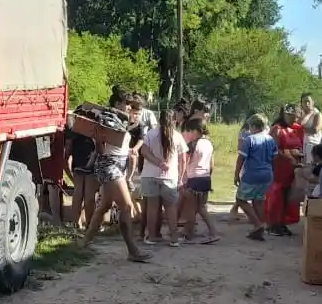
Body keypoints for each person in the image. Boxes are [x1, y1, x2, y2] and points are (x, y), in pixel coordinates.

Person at [81, 92, 152, 263]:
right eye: (126, 104)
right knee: (126, 207)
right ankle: (133, 251)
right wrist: (98, 139)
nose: (129, 107)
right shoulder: (108, 119)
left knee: (104, 206)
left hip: (116, 164)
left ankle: (83, 243)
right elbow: (100, 146)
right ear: (117, 104)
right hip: (109, 165)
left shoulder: (121, 120)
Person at [139, 109, 188, 246]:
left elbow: (144, 152)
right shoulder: (177, 136)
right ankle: (174, 238)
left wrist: (158, 163)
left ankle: (151, 236)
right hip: (169, 177)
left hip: (149, 175)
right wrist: (180, 177)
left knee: (152, 208)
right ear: (174, 121)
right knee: (171, 208)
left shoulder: (150, 134)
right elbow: (183, 159)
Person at [235, 114, 278, 241]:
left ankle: (257, 224)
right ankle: (260, 227)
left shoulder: (250, 139)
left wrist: (236, 174)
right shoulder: (270, 139)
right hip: (267, 174)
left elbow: (241, 158)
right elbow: (275, 157)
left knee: (240, 199)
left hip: (252, 174)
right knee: (259, 200)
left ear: (254, 126)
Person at [266, 104, 305, 236]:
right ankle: (273, 224)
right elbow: (274, 150)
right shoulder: (277, 129)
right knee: (277, 195)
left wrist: (298, 155)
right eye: (291, 115)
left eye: (296, 115)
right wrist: (289, 155)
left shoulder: (297, 129)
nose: (294, 118)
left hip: (292, 167)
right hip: (279, 166)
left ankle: (283, 222)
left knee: (289, 196)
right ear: (284, 115)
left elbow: (300, 145)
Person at [179, 118, 219, 244]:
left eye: (190, 131)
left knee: (190, 209)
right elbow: (212, 164)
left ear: (196, 130)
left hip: (194, 178)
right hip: (205, 177)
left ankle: (190, 233)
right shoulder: (208, 143)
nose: (188, 133)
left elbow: (185, 162)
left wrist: (182, 178)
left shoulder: (192, 144)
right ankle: (207, 232)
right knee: (200, 207)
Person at [64, 114, 98, 228]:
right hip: (91, 165)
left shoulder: (75, 131)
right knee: (89, 197)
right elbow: (99, 149)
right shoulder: (94, 130)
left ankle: (76, 223)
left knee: (78, 194)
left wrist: (66, 159)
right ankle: (89, 224)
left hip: (77, 164)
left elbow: (68, 148)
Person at [299, 93, 322, 160]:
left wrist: (301, 128)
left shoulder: (317, 114)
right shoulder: (300, 113)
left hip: (313, 144)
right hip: (302, 144)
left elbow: (315, 130)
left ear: (313, 102)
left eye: (308, 101)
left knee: (311, 166)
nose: (307, 104)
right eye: (304, 102)